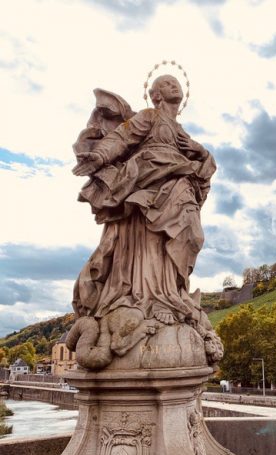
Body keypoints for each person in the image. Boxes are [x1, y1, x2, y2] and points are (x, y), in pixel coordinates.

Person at [70, 75, 218, 361]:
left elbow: (204, 164)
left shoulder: (181, 132)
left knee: (192, 236)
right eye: (166, 83)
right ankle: (153, 296)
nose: (174, 86)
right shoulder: (150, 117)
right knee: (152, 241)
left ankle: (170, 293)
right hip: (149, 183)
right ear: (155, 95)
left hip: (179, 185)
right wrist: (99, 157)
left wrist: (202, 153)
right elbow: (121, 139)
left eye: (176, 83)